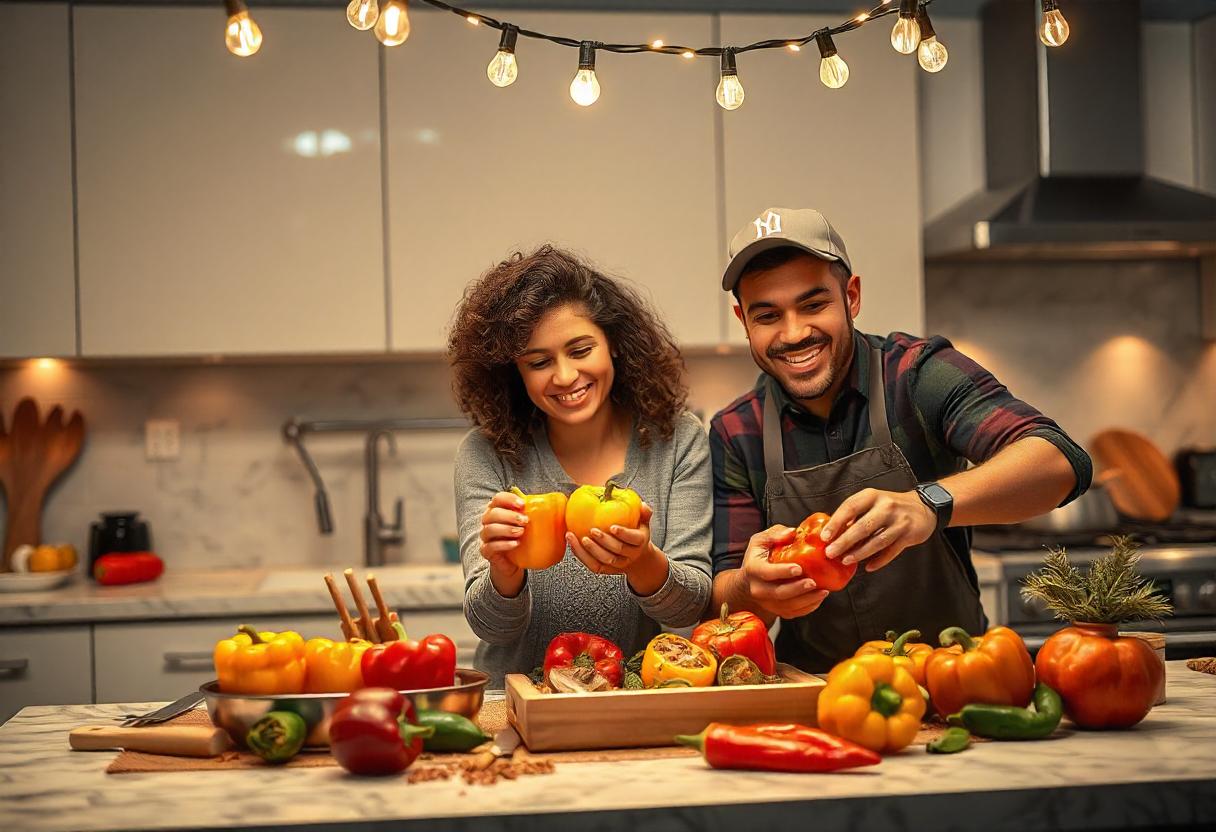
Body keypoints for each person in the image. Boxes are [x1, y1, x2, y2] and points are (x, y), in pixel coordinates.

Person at [709, 207, 1092, 672]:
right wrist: (752, 587)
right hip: (820, 696)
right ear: (742, 320)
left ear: (851, 297)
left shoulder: (917, 375)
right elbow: (723, 607)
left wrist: (928, 503)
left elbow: (1060, 461)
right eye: (767, 315)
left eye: (813, 305)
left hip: (958, 678)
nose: (794, 333)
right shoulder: (736, 430)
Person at [449, 245, 712, 686]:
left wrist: (642, 561)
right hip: (514, 705)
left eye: (580, 349)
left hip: (630, 700)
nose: (566, 376)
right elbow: (490, 627)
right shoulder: (486, 453)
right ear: (512, 372)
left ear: (614, 345)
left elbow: (691, 610)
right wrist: (504, 572)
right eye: (539, 362)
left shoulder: (677, 439)